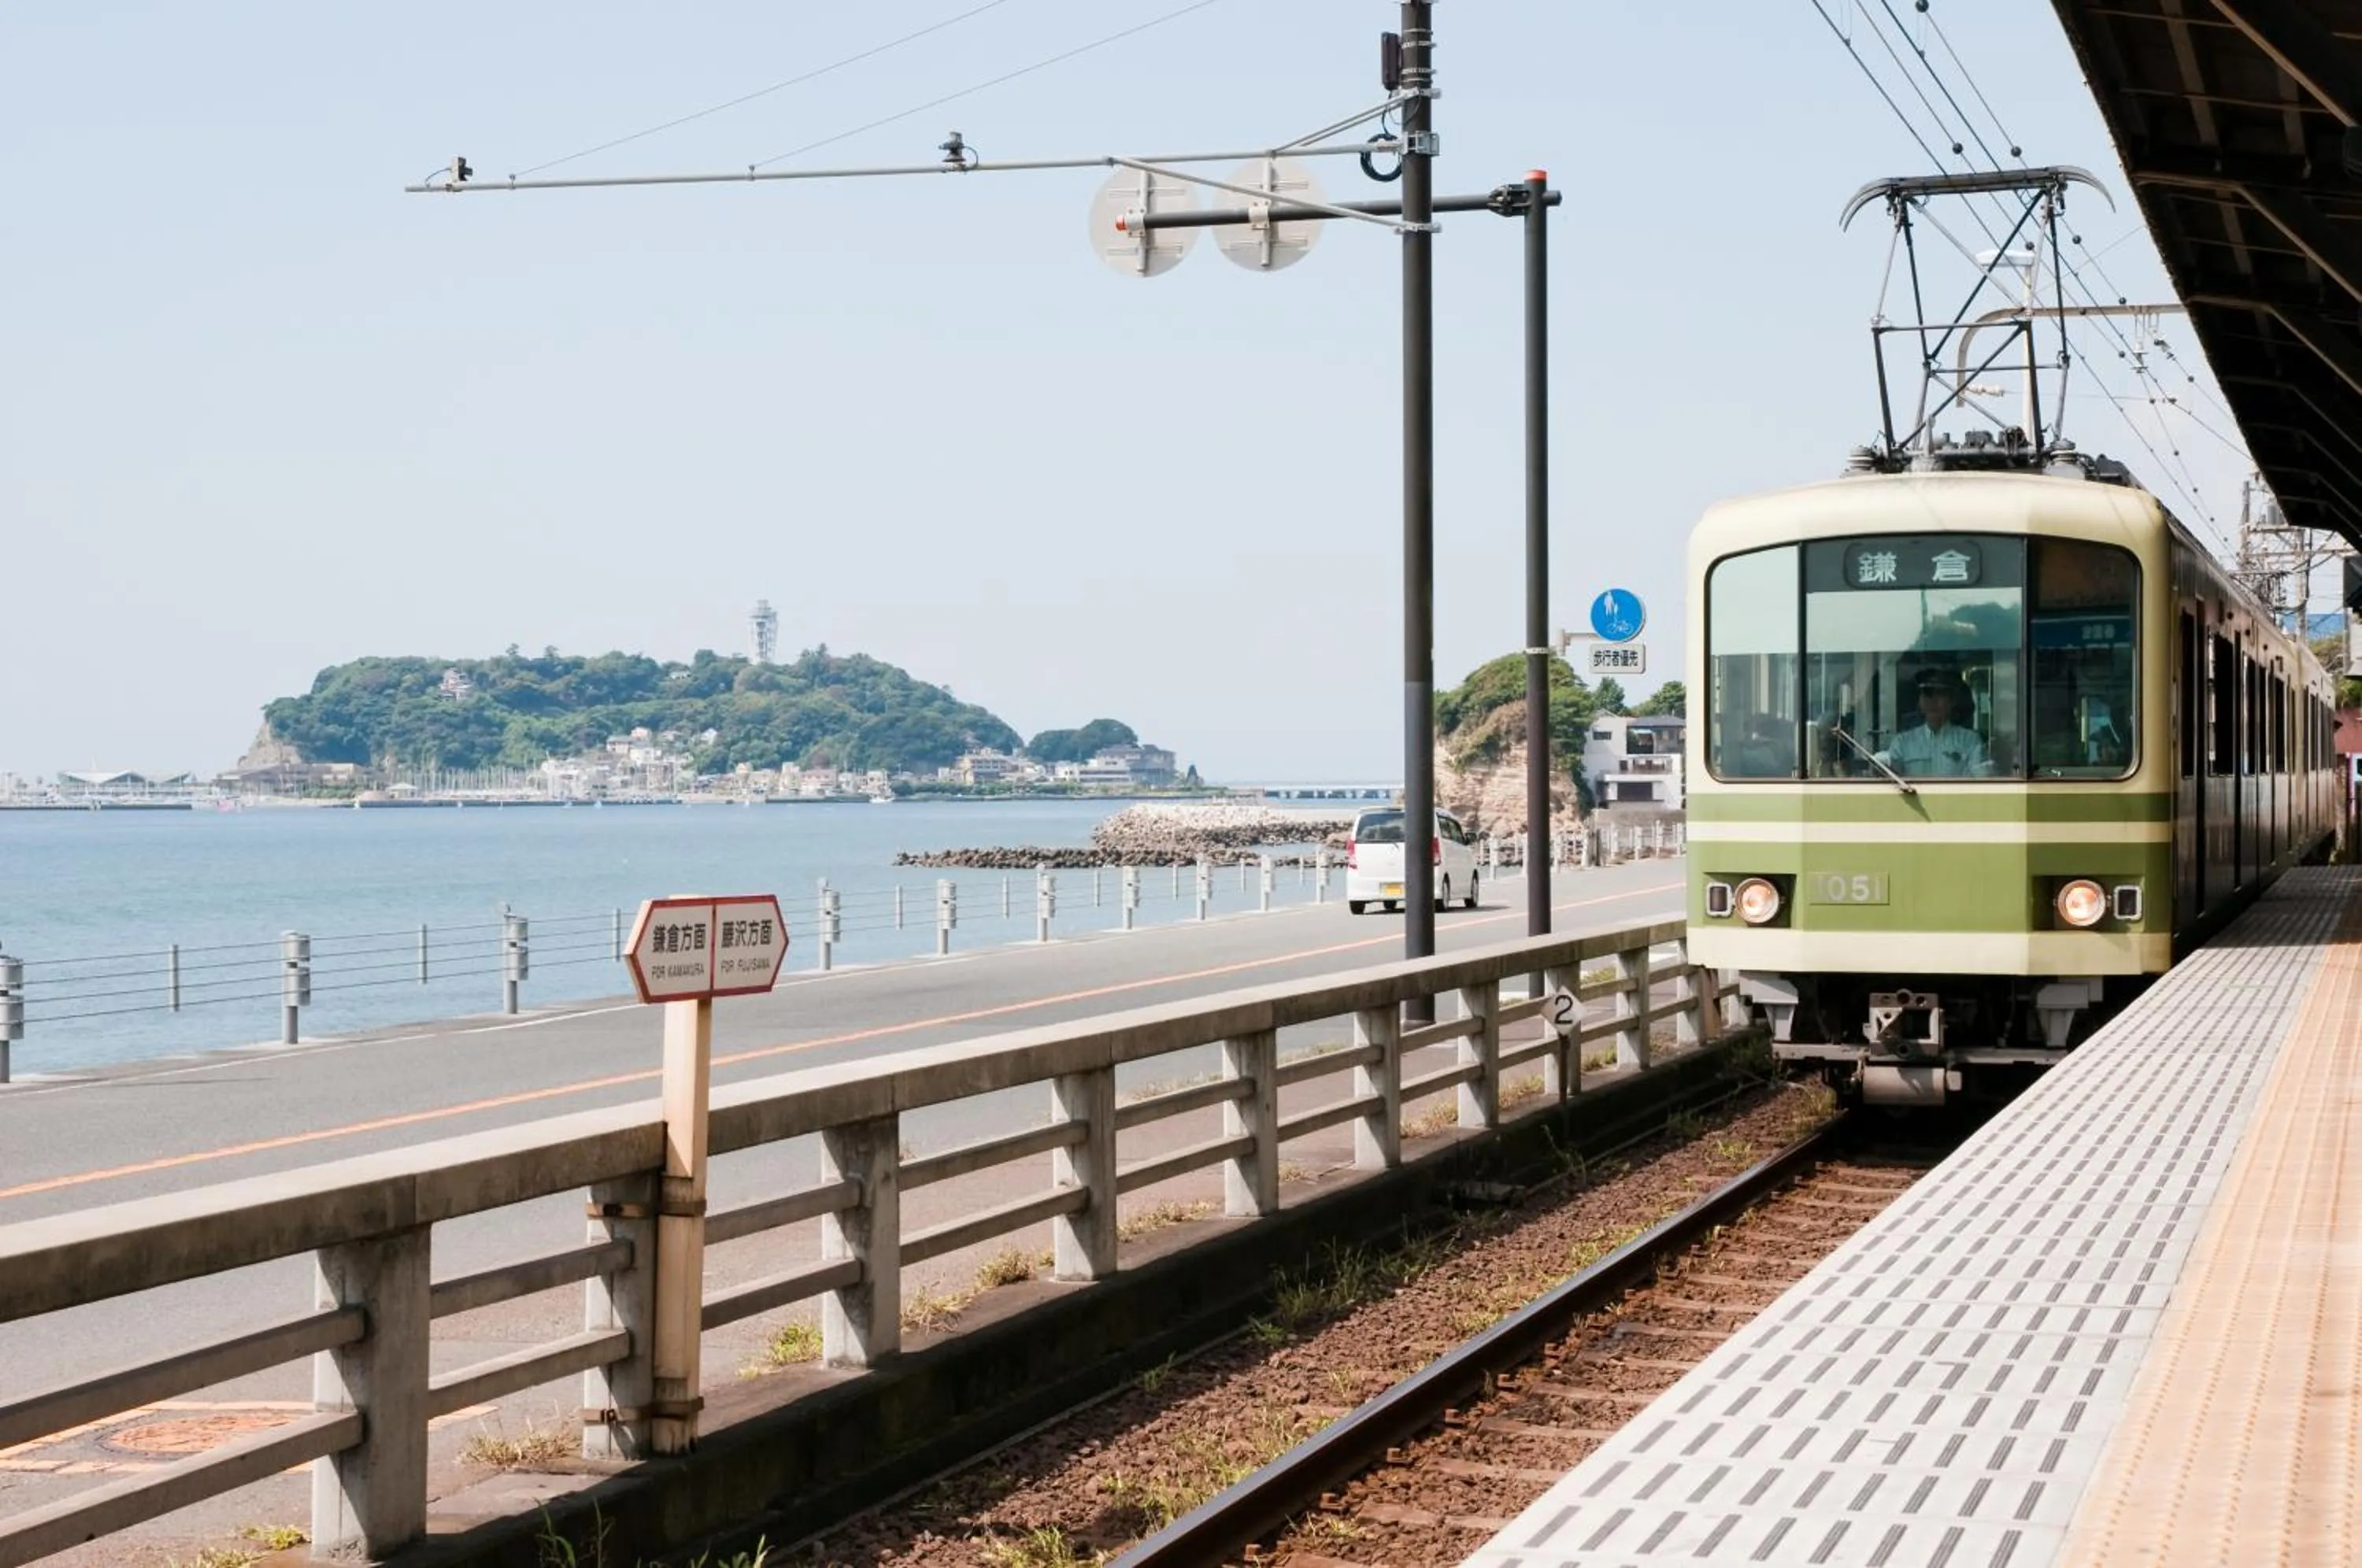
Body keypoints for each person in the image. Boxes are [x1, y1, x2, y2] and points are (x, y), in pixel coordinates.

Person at [1875, 670, 1994, 777]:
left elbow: (1980, 780)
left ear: (1952, 700)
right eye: (1927, 694)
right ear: (1919, 701)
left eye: (1940, 694)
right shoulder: (1902, 743)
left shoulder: (1969, 741)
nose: (1932, 701)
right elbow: (1889, 776)